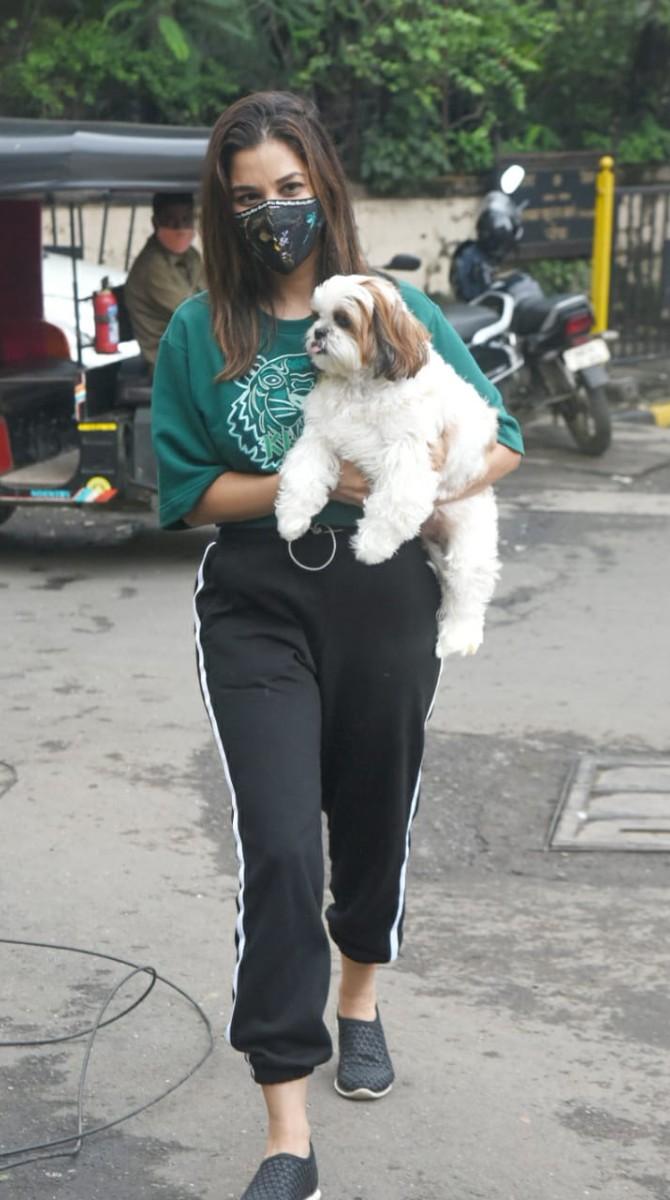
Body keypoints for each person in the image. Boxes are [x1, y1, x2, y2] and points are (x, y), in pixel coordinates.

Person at [151, 91, 523, 1200]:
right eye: (250, 195)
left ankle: (357, 999)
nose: (274, 212)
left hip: (385, 601)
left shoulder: (391, 306)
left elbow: (499, 442)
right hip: (261, 606)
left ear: (324, 187)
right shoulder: (197, 329)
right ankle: (285, 1123)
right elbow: (187, 492)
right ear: (224, 206)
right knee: (278, 844)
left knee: (371, 821)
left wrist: (419, 479)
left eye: (291, 190)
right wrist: (312, 484)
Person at [125, 192, 205, 369]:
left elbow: (212, 294)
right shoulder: (152, 267)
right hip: (169, 364)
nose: (180, 227)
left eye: (186, 219)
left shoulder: (190, 255)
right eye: (171, 220)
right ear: (156, 223)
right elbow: (197, 315)